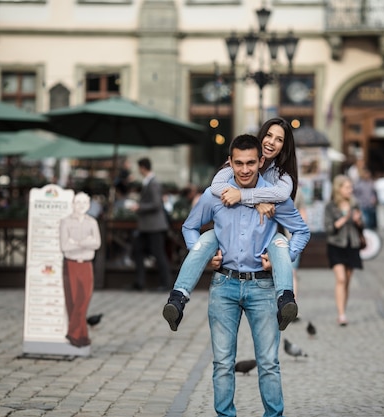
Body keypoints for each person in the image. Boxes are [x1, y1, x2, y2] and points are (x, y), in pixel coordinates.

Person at [179, 134, 310, 417]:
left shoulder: (273, 197)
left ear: (261, 161)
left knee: (268, 362)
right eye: (238, 163)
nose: (245, 169)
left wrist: (283, 260)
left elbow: (302, 231)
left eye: (251, 162)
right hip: (223, 285)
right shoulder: (214, 195)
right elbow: (189, 227)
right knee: (223, 362)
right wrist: (202, 255)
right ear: (230, 162)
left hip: (262, 288)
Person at [163, 117, 301, 331]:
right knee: (206, 239)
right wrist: (254, 201)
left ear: (285, 146)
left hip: (266, 234)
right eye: (268, 135)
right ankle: (178, 298)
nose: (271, 142)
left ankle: (286, 299)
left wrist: (245, 196)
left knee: (281, 243)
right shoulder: (236, 163)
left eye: (279, 139)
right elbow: (217, 187)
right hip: (230, 237)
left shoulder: (282, 176)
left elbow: (282, 196)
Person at [59, 192, 101, 347]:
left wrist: (76, 242)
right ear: (73, 204)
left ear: (89, 205)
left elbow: (96, 243)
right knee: (73, 300)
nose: (81, 206)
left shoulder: (92, 222)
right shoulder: (65, 222)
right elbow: (64, 245)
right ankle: (80, 337)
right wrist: (85, 243)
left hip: (86, 264)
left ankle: (73, 333)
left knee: (84, 299)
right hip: (71, 263)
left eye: (84, 202)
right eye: (78, 202)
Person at [324, 175, 365, 326]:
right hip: (336, 245)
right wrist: (339, 222)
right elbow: (327, 228)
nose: (350, 190)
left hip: (352, 245)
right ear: (338, 188)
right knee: (340, 279)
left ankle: (343, 311)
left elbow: (362, 227)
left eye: (351, 187)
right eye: (347, 187)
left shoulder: (355, 204)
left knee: (347, 281)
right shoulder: (331, 206)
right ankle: (341, 314)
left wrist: (358, 221)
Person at [130, 157, 172, 291]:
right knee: (137, 250)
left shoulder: (153, 183)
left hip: (154, 226)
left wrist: (139, 207)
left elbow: (156, 204)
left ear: (142, 167)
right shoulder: (149, 182)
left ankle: (166, 284)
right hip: (148, 227)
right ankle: (139, 282)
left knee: (158, 254)